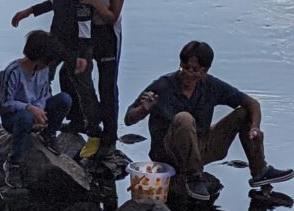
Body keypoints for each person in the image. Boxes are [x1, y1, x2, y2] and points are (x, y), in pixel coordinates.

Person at [124, 40, 293, 201]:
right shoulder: (163, 85)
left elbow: (252, 103)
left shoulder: (211, 85)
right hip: (169, 152)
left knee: (244, 113)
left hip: (201, 146)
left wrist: (254, 128)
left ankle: (259, 171)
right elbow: (128, 119)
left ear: (205, 70)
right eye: (185, 67)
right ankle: (193, 177)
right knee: (184, 118)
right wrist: (143, 109)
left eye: (195, 70)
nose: (189, 73)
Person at [11, 0, 98, 138]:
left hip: (78, 43)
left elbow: (85, 21)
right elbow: (56, 1)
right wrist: (30, 11)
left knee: (82, 84)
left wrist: (83, 55)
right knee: (45, 75)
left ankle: (93, 128)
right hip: (56, 36)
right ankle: (48, 120)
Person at [0, 30, 73, 189]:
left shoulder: (43, 71)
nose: (49, 65)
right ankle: (12, 163)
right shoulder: (12, 72)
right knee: (25, 117)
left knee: (64, 99)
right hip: (15, 117)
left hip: (37, 112)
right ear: (40, 58)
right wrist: (29, 108)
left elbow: (45, 94)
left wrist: (40, 112)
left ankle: (49, 133)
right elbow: (5, 104)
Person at [78, 0, 129, 158]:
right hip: (86, 30)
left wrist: (95, 1)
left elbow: (112, 17)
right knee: (78, 74)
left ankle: (110, 136)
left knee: (107, 85)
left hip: (108, 34)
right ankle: (86, 122)